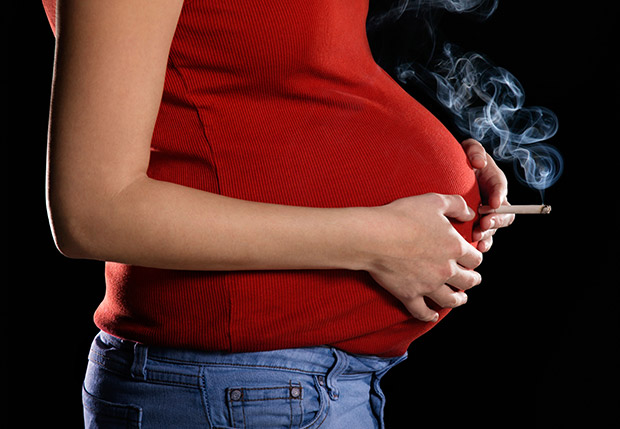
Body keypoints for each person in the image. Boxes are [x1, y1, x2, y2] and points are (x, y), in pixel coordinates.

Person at [42, 0, 514, 427]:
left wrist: (442, 171)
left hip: (301, 386)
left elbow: (292, 79)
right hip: (238, 388)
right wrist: (382, 241)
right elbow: (95, 211)